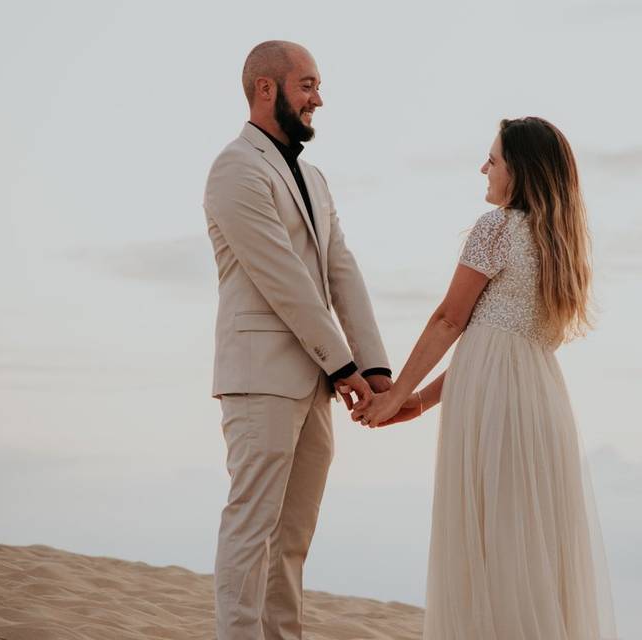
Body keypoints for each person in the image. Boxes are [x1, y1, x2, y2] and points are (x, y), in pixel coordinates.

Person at [352, 117, 619, 639]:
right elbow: (493, 345)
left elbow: (452, 321)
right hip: (541, 405)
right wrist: (422, 402)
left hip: (493, 407)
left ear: (517, 170)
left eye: (493, 159)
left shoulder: (495, 228)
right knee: (528, 550)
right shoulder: (563, 250)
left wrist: (395, 396)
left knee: (490, 547)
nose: (484, 168)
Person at [203, 40, 391, 640]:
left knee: (292, 541)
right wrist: (344, 367)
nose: (318, 99)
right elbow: (283, 279)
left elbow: (341, 270)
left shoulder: (313, 176)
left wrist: (376, 367)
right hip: (261, 378)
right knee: (251, 529)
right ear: (266, 88)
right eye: (307, 85)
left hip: (316, 382)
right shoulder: (235, 168)